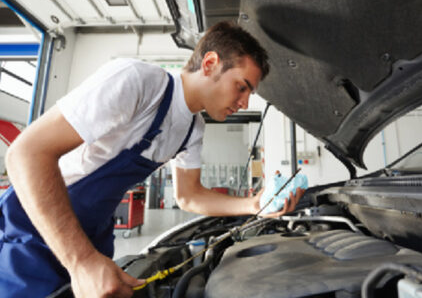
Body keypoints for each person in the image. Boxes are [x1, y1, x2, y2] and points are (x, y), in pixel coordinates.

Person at [0, 21, 305, 297]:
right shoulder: (137, 82)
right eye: (242, 87)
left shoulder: (192, 128)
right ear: (210, 64)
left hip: (93, 233)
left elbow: (189, 196)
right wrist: (81, 261)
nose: (244, 102)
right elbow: (26, 154)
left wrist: (254, 204)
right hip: (36, 227)